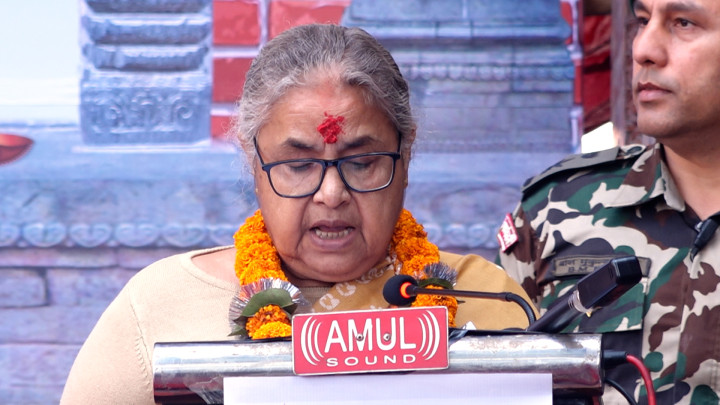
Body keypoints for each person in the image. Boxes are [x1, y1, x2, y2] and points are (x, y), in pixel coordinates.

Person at [61, 24, 535, 404]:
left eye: (362, 162)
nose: (332, 194)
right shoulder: (162, 304)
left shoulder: (487, 299)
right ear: (255, 164)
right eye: (298, 165)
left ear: (405, 159)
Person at [497, 0, 720, 404]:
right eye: (642, 21)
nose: (643, 49)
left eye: (683, 23)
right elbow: (492, 384)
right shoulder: (555, 211)